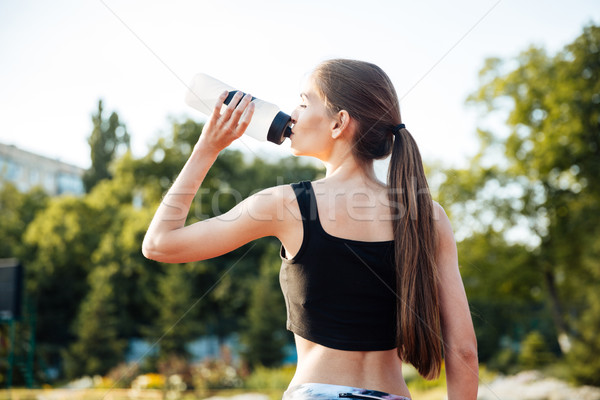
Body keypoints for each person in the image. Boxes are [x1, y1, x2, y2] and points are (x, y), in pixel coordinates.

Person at [142, 59, 478, 400]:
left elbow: (159, 244)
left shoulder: (285, 205)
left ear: (339, 123)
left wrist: (207, 148)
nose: (293, 114)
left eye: (304, 102)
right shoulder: (428, 217)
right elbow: (463, 350)